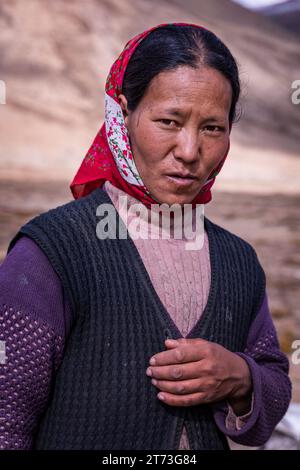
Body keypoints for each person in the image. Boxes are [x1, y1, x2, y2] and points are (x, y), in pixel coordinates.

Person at [0, 22, 291, 450]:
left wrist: (242, 378)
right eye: (169, 121)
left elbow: (274, 387)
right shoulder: (50, 254)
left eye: (212, 128)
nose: (190, 151)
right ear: (123, 116)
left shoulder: (238, 261)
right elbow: (6, 422)